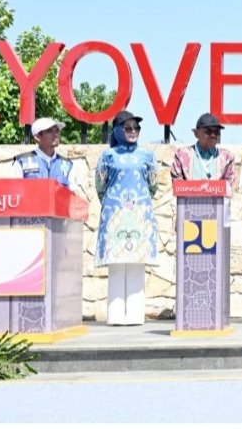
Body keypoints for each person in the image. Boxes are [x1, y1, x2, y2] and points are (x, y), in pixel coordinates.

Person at [95, 110, 159, 326]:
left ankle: (134, 316)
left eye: (136, 128)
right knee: (116, 265)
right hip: (114, 214)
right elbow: (100, 186)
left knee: (136, 265)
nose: (133, 132)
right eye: (128, 128)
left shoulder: (147, 156)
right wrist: (115, 204)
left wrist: (137, 204)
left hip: (139, 214)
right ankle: (115, 316)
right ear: (117, 130)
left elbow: (153, 185)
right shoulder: (107, 156)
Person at [13, 117, 78, 191]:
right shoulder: (21, 162)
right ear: (37, 137)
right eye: (49, 131)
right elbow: (15, 195)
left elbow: (73, 197)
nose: (55, 134)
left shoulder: (68, 164)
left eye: (57, 131)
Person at [171, 113, 235, 182]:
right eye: (208, 131)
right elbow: (177, 185)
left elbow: (228, 187)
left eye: (217, 132)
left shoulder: (227, 157)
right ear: (196, 133)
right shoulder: (182, 155)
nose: (213, 135)